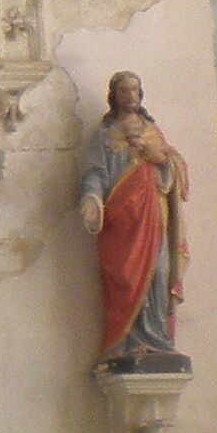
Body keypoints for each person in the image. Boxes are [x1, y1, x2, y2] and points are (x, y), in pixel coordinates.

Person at [76, 71, 190, 364]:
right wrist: (91, 197)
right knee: (124, 277)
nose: (131, 95)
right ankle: (126, 343)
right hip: (122, 220)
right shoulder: (105, 134)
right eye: (125, 90)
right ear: (114, 95)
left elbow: (173, 165)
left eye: (135, 89)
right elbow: (94, 173)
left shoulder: (152, 130)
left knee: (160, 273)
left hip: (153, 214)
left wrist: (159, 157)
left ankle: (159, 340)